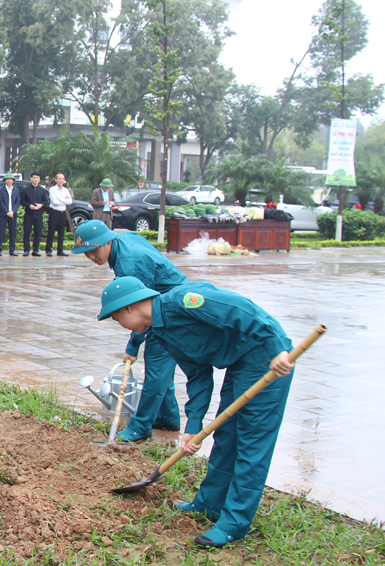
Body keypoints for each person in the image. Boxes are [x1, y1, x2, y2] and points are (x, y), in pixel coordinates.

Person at [98, 276, 295, 549]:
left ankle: (233, 524)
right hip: (240, 364)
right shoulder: (162, 332)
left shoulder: (185, 301)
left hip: (268, 360)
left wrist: (277, 350)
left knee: (251, 442)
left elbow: (242, 310)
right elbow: (198, 375)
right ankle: (208, 504)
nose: (118, 324)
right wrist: (193, 426)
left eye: (116, 318)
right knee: (225, 434)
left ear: (129, 308)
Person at [71, 220, 183, 440]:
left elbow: (138, 310)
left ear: (107, 241)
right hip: (161, 306)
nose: (92, 258)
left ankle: (140, 428)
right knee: (161, 366)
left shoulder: (131, 264)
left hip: (170, 310)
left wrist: (133, 345)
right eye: (86, 254)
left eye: (94, 251)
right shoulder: (123, 240)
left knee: (156, 365)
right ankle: (168, 419)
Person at [21, 172, 48, 257]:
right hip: (29, 214)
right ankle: (26, 250)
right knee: (27, 232)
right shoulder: (26, 189)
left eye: (37, 178)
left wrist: (41, 205)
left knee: (38, 233)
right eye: (34, 177)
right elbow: (22, 201)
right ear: (31, 178)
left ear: (39, 179)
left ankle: (36, 250)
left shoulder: (42, 190)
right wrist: (29, 206)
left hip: (39, 214)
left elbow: (46, 201)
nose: (36, 179)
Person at [45, 173, 72, 257]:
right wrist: (64, 200)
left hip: (63, 213)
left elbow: (70, 201)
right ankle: (48, 250)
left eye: (62, 179)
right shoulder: (52, 189)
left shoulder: (66, 190)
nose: (61, 180)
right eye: (59, 179)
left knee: (61, 232)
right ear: (56, 180)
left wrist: (61, 199)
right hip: (54, 212)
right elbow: (55, 202)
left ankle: (60, 250)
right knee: (51, 231)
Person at [0, 174, 20, 257]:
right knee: (1, 232)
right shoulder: (1, 190)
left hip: (12, 214)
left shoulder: (16, 190)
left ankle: (12, 250)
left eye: (11, 179)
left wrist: (13, 211)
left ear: (13, 180)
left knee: (12, 233)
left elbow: (17, 201)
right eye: (7, 179)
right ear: (5, 181)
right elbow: (0, 201)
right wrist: (7, 212)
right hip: (3, 214)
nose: (9, 181)